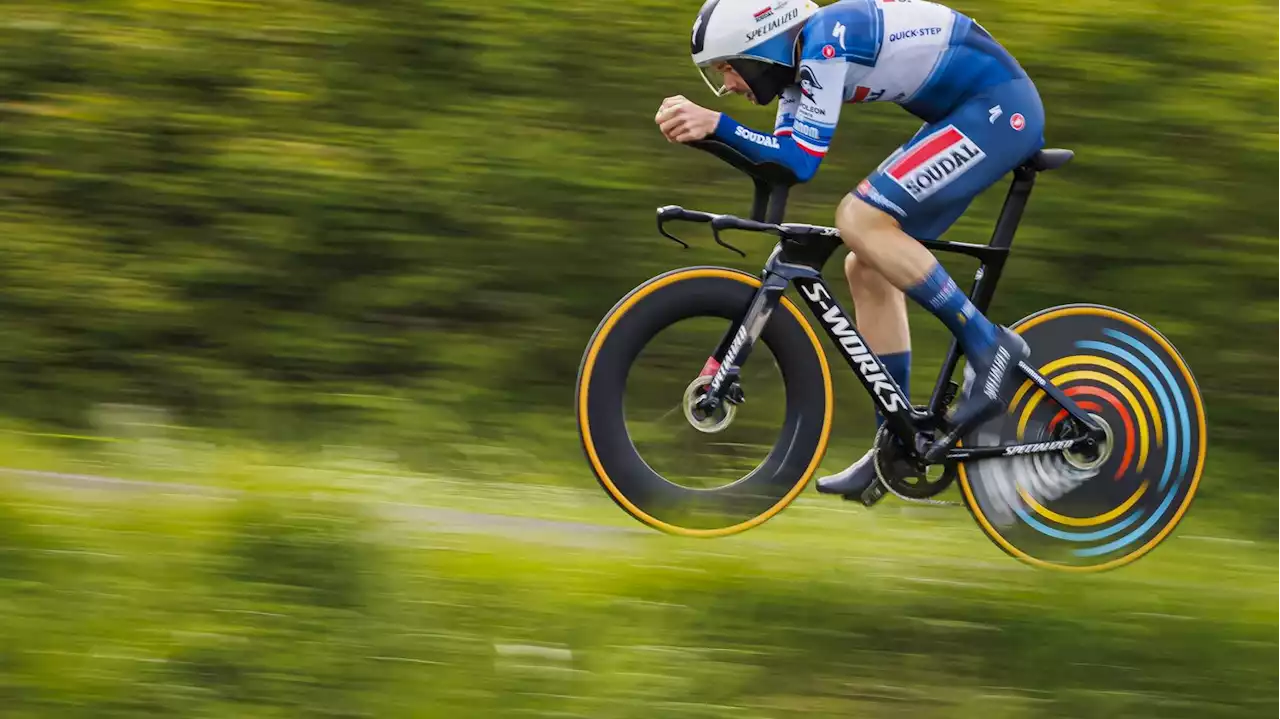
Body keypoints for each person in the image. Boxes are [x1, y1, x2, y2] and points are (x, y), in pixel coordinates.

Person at [655, 0, 1043, 501]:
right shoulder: (799, 65)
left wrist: (716, 126)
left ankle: (990, 346)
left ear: (761, 45)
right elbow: (782, 167)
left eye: (727, 68)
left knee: (858, 217)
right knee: (867, 264)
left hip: (998, 109)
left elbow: (799, 160)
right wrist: (709, 138)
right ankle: (897, 443)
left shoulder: (825, 40)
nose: (728, 85)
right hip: (965, 113)